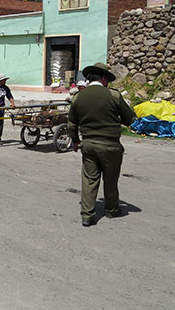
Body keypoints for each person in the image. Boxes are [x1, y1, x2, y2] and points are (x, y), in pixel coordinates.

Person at [67, 62, 135, 227]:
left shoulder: (78, 97)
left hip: (88, 145)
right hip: (110, 146)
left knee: (90, 179)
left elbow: (71, 125)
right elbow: (130, 119)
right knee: (110, 179)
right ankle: (111, 210)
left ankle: (87, 215)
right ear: (104, 79)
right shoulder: (113, 95)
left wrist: (76, 141)